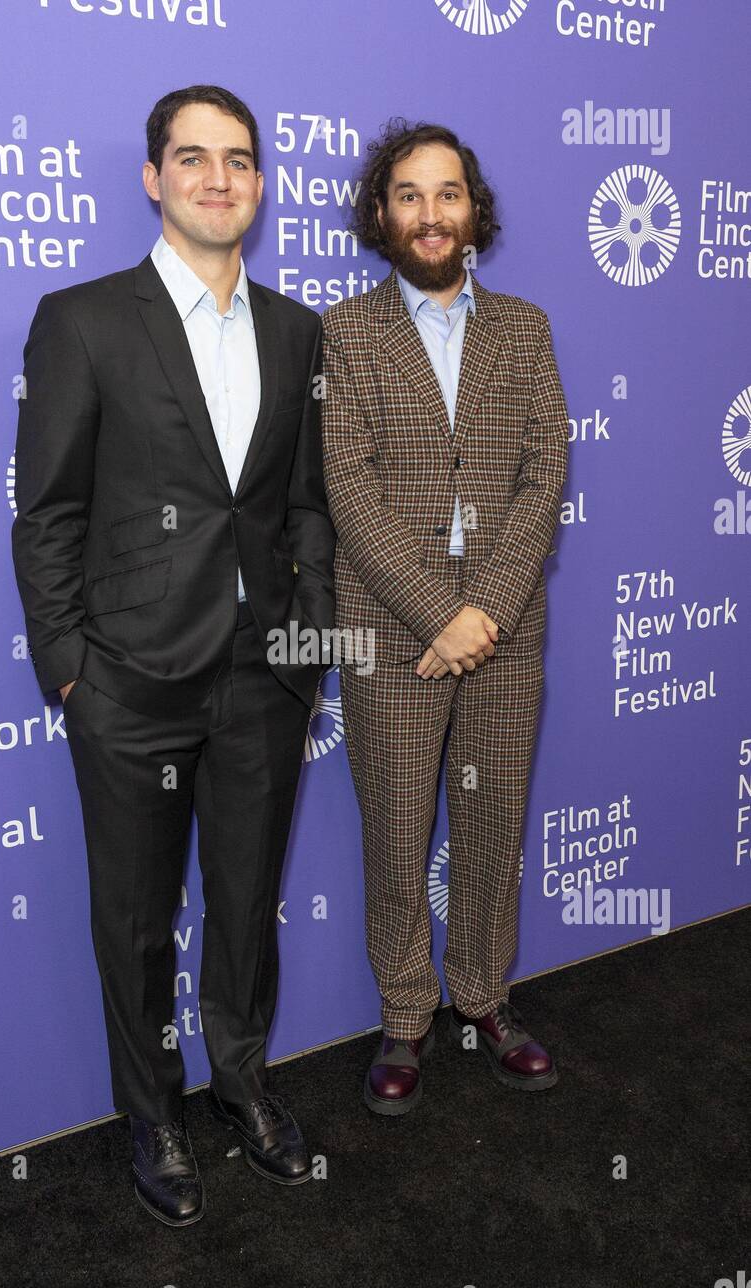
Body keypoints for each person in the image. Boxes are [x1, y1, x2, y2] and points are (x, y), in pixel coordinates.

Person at [12, 85, 335, 1224]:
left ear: (260, 183)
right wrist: (71, 670)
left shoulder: (300, 330)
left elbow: (305, 506)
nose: (216, 178)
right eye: (191, 158)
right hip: (129, 685)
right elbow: (45, 512)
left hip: (263, 678)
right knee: (139, 921)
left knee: (246, 907)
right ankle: (151, 1117)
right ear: (152, 178)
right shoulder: (84, 320)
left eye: (237, 159)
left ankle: (242, 1084)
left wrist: (308, 648)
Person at [321, 119, 568, 1116]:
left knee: (491, 821)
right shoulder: (342, 331)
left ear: (474, 212)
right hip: (390, 630)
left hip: (504, 631)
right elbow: (347, 486)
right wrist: (438, 612)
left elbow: (543, 470)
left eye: (448, 193)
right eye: (409, 194)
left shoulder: (526, 326)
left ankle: (485, 997)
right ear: (382, 215)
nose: (431, 213)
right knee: (394, 824)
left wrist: (487, 610)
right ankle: (404, 1013)